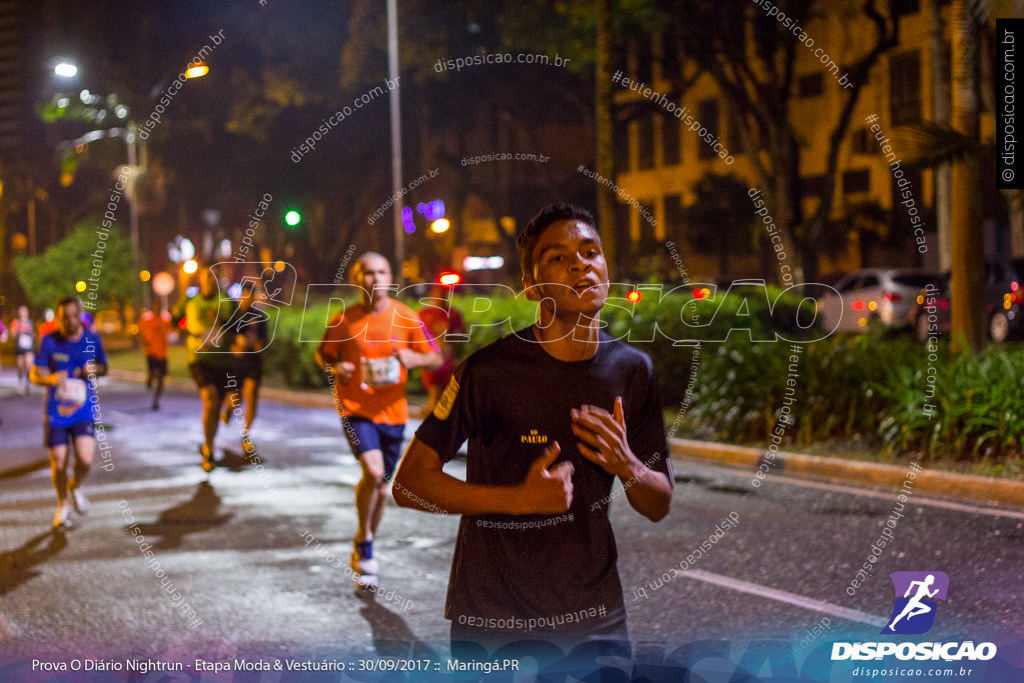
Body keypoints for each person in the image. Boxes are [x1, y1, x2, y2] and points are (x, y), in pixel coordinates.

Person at [392, 204, 673, 660]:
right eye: (558, 257)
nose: (580, 263)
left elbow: (658, 504)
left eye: (590, 251)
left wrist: (628, 465)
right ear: (530, 284)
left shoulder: (632, 370)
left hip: (597, 619)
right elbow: (409, 484)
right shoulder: (487, 372)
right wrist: (516, 500)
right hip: (494, 621)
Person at [315, 252, 441, 587]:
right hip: (356, 409)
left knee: (382, 488)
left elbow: (435, 358)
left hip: (393, 412)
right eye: (368, 273)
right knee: (372, 472)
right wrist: (335, 367)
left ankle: (362, 537)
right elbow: (323, 353)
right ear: (357, 279)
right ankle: (368, 547)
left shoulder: (406, 317)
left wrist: (415, 357)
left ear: (390, 277)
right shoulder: (344, 320)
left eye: (381, 272)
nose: (375, 278)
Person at [30, 296, 108, 528]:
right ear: (58, 318)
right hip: (56, 412)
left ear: (80, 315)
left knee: (85, 459)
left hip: (84, 409)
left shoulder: (92, 339)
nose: (70, 321)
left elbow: (103, 366)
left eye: (74, 316)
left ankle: (75, 486)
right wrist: (50, 378)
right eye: (65, 318)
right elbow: (35, 374)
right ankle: (62, 503)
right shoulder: (48, 341)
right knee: (60, 462)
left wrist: (93, 369)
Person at [174, 267, 235, 472]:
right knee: (210, 400)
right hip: (199, 359)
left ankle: (209, 443)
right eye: (207, 277)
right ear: (200, 280)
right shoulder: (192, 302)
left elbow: (236, 323)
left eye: (214, 277)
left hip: (222, 360)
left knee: (216, 406)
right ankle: (208, 450)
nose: (210, 281)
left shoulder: (226, 301)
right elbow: (179, 319)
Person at [222, 281, 269, 455]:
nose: (247, 299)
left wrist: (256, 344)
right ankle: (228, 410)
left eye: (251, 295)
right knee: (235, 398)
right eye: (245, 295)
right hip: (235, 363)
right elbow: (225, 337)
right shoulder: (233, 316)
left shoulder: (260, 317)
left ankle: (246, 434)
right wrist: (234, 347)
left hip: (253, 362)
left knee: (252, 394)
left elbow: (263, 342)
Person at [418, 282, 465, 412]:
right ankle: (431, 420)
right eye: (437, 294)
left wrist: (449, 342)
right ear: (432, 294)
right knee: (434, 392)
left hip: (447, 359)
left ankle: (435, 419)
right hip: (430, 359)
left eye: (443, 294)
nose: (440, 297)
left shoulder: (453, 314)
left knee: (445, 395)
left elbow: (461, 334)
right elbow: (417, 335)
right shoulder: (424, 314)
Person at [137, 300, 173, 411]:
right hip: (151, 352)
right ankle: (150, 376)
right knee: (155, 373)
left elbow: (171, 331)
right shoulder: (147, 319)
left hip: (162, 353)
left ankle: (156, 400)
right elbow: (139, 331)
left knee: (161, 379)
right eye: (155, 306)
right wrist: (143, 341)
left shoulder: (165, 320)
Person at [12, 306, 36, 394]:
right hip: (20, 346)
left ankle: (27, 382)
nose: (23, 313)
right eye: (22, 311)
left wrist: (33, 336)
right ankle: (20, 379)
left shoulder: (30, 322)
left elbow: (33, 334)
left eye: (25, 311)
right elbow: (13, 334)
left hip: (29, 346)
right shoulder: (16, 322)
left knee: (29, 364)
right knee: (20, 365)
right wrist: (18, 332)